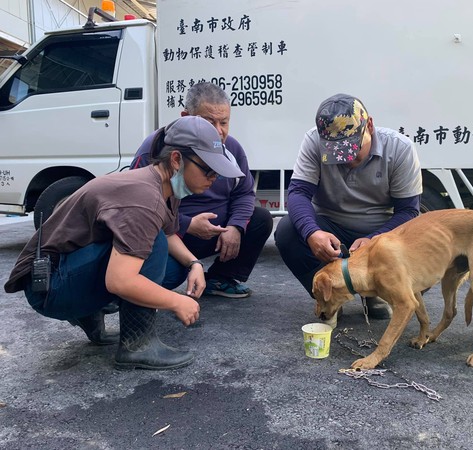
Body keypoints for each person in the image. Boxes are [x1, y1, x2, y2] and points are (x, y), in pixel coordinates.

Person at [4, 116, 245, 370]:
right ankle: (137, 345)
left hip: (65, 269)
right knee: (153, 245)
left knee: (173, 264)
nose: (214, 178)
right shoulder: (144, 198)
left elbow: (169, 232)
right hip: (48, 286)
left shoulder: (163, 185)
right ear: (176, 160)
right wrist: (177, 302)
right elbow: (120, 280)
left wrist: (194, 264)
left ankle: (89, 312)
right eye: (209, 170)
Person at [275, 93, 423, 320]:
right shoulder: (314, 141)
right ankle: (330, 296)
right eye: (337, 153)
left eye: (353, 150)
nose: (346, 159)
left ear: (370, 125)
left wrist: (375, 241)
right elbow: (298, 193)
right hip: (331, 224)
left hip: (382, 230)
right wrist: (312, 233)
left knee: (422, 242)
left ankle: (377, 292)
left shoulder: (400, 149)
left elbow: (409, 212)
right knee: (288, 232)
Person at [131, 82, 273, 298]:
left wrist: (235, 227)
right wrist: (187, 224)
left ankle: (221, 278)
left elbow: (244, 193)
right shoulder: (154, 149)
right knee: (170, 272)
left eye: (224, 122)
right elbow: (139, 209)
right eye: (209, 122)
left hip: (216, 232)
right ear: (186, 116)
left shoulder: (232, 148)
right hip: (173, 234)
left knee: (260, 218)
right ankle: (125, 292)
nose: (218, 131)